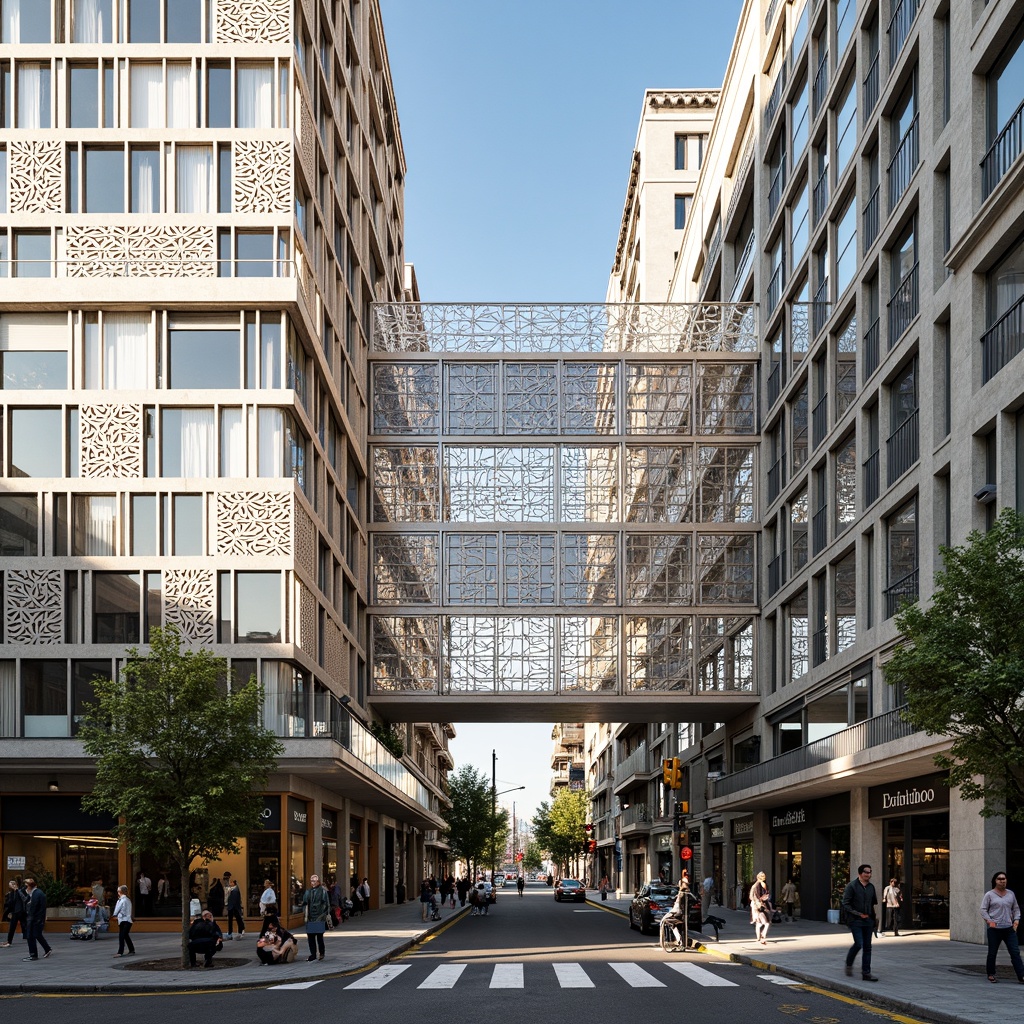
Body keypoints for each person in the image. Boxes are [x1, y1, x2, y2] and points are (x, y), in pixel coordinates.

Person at [980, 870, 1024, 983]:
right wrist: (989, 921)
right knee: (992, 952)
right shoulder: (989, 895)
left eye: (1004, 879)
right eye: (999, 879)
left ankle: (1021, 975)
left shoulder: (1010, 894)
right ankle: (991, 974)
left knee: (1015, 952)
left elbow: (1016, 908)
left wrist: (1016, 920)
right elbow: (983, 909)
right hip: (995, 929)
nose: (1002, 881)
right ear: (995, 881)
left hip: (1009, 929)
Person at [841, 864, 879, 981]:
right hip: (855, 920)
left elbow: (873, 904)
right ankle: (849, 963)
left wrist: (874, 920)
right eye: (866, 872)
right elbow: (845, 904)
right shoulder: (851, 886)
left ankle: (866, 973)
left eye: (870, 872)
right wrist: (858, 914)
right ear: (860, 873)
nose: (869, 874)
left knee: (868, 947)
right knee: (859, 944)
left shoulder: (871, 887)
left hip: (868, 920)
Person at [21, 876, 52, 962]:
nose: (25, 888)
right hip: (37, 919)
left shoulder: (36, 894)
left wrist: (30, 918)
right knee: (37, 934)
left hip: (34, 919)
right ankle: (47, 949)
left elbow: (33, 908)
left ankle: (33, 954)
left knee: (30, 936)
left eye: (26, 886)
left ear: (30, 886)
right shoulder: (37, 893)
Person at [302, 873, 330, 962]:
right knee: (310, 937)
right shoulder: (308, 892)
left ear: (318, 882)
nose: (312, 883)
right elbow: (305, 903)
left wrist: (324, 914)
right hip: (310, 917)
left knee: (319, 936)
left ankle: (321, 953)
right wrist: (305, 914)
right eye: (311, 881)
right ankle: (313, 954)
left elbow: (326, 904)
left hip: (319, 916)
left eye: (314, 881)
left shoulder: (323, 891)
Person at [2, 879, 28, 947]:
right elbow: (10, 903)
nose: (10, 887)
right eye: (10, 886)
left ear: (15, 885)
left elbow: (24, 898)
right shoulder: (11, 893)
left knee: (24, 924)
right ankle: (9, 941)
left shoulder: (20, 891)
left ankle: (28, 937)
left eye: (11, 885)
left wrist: (17, 890)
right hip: (15, 912)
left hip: (20, 911)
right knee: (12, 926)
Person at [112, 884, 136, 957]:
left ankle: (120, 952)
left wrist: (114, 915)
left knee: (122, 936)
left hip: (125, 920)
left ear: (120, 891)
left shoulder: (122, 900)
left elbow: (117, 910)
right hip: (125, 920)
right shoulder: (127, 899)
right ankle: (131, 950)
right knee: (125, 935)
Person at [749, 871, 772, 945]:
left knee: (760, 923)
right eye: (762, 877)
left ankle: (759, 937)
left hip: (763, 905)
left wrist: (766, 898)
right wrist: (758, 902)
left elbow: (767, 894)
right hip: (758, 906)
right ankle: (761, 936)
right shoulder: (755, 886)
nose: (763, 878)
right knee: (765, 922)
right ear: (758, 877)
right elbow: (752, 896)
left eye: (764, 877)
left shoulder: (764, 885)